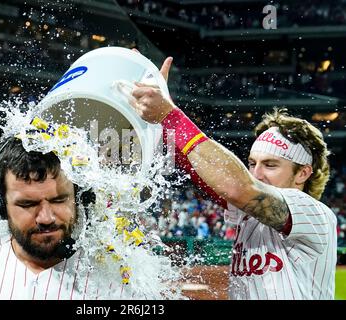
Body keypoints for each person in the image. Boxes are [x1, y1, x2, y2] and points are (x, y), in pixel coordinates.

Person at [129, 55, 337, 300]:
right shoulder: (249, 215)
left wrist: (170, 116)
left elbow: (240, 188)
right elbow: (199, 168)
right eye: (251, 163)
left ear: (303, 173)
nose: (256, 173)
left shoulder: (315, 214)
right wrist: (157, 115)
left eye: (270, 165)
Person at [0, 138, 134, 300]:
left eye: (59, 200)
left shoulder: (118, 279)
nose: (46, 218)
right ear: (1, 207)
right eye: (27, 204)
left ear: (79, 200)